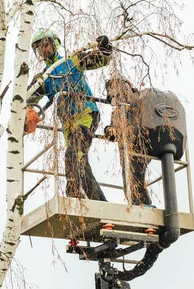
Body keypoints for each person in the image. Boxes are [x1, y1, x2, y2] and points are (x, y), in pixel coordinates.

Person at [27, 28, 112, 202]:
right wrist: (26, 110)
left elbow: (98, 59)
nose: (43, 50)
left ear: (54, 44)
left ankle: (73, 195)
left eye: (45, 45)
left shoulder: (71, 61)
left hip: (86, 113)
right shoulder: (43, 77)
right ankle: (99, 202)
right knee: (78, 161)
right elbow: (29, 97)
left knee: (75, 154)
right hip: (67, 122)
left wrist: (105, 49)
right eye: (39, 48)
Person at [104, 77, 153, 206]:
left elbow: (142, 123)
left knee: (135, 177)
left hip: (138, 147)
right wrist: (110, 130)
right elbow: (114, 132)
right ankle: (138, 204)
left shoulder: (138, 102)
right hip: (126, 152)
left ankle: (144, 205)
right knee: (129, 182)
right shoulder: (117, 113)